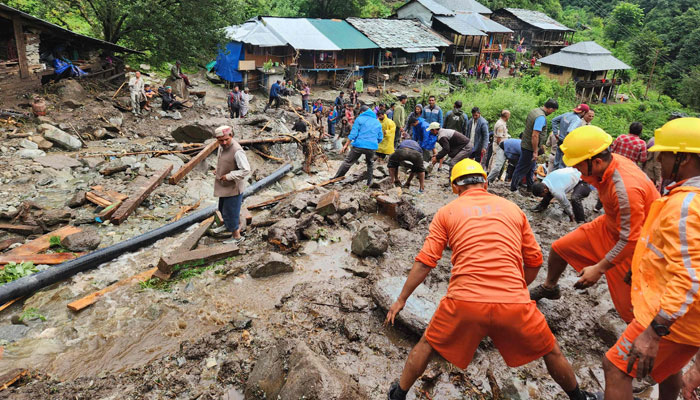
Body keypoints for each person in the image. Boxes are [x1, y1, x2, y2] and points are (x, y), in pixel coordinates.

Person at [385, 158, 598, 400]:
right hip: (514, 302)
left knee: (427, 343)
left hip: (463, 302)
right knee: (551, 351)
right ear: (485, 183)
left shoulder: (446, 212)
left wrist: (401, 299)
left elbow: (425, 262)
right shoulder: (512, 209)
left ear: (455, 187)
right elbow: (535, 260)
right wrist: (516, 288)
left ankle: (399, 393)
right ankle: (578, 397)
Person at [602, 118, 700, 400]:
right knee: (668, 370)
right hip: (688, 320)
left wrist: (655, 332)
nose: (659, 162)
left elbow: (691, 276)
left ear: (685, 158)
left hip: (674, 321)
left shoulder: (686, 206)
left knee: (616, 368)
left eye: (665, 155)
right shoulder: (686, 197)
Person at [529, 126, 659, 325]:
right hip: (610, 224)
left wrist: (599, 268)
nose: (578, 172)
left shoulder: (625, 189)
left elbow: (630, 239)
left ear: (596, 162)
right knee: (559, 248)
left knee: (630, 310)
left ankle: (646, 344)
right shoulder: (607, 166)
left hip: (635, 244)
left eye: (579, 166)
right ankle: (550, 287)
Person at [211, 125, 250, 243]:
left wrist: (229, 176)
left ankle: (237, 237)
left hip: (233, 187)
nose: (224, 142)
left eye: (226, 139)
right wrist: (218, 170)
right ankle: (227, 226)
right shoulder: (221, 147)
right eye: (220, 140)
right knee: (222, 209)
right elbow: (224, 160)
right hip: (224, 186)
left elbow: (246, 170)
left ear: (231, 136)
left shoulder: (237, 151)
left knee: (231, 212)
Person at [510, 99, 559, 193]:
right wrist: (535, 151)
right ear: (550, 108)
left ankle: (530, 187)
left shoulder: (534, 111)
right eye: (553, 111)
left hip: (526, 143)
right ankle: (513, 188)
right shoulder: (541, 117)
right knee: (522, 167)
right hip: (530, 147)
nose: (552, 113)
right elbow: (535, 135)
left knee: (531, 168)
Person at [332, 105, 383, 186]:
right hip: (372, 147)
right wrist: (373, 142)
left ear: (362, 112)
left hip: (359, 145)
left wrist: (345, 145)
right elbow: (380, 137)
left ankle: (336, 178)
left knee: (348, 161)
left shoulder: (359, 119)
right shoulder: (377, 122)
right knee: (370, 163)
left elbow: (353, 134)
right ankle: (369, 182)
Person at [551, 104, 590, 171]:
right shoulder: (577, 120)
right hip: (567, 144)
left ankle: (552, 177)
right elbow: (570, 131)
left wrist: (555, 133)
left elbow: (554, 120)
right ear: (583, 112)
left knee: (556, 162)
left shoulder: (567, 114)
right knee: (563, 165)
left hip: (560, 141)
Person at [488, 110, 510, 181]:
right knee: (496, 161)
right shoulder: (500, 124)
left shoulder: (502, 123)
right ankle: (492, 177)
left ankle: (490, 175)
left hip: (499, 145)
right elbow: (499, 139)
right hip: (499, 146)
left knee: (494, 159)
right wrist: (501, 148)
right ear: (506, 116)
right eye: (509, 115)